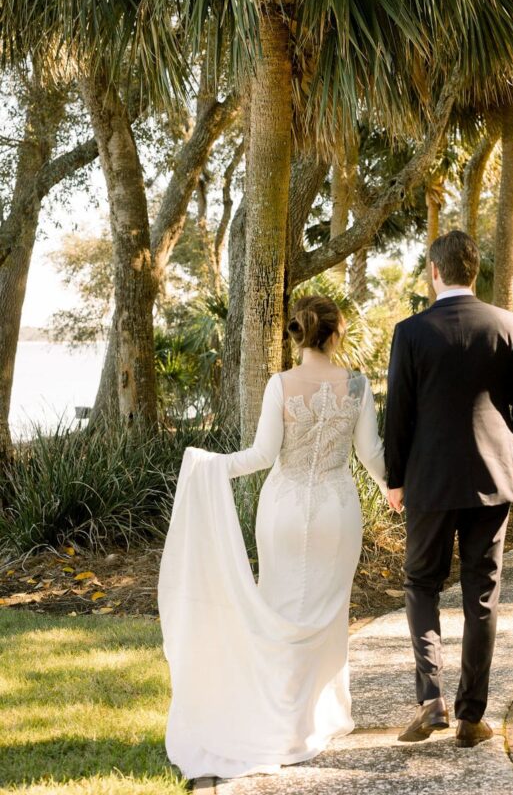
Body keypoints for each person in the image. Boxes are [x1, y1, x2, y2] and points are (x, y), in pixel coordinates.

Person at [158, 295, 387, 781]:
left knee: (279, 609)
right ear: (337, 331)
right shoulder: (358, 385)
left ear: (298, 333)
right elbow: (372, 455)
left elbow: (263, 455)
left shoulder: (280, 384)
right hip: (336, 511)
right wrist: (396, 486)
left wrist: (211, 465)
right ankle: (316, 718)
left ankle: (276, 715)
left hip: (282, 510)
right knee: (328, 614)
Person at [384, 229, 513, 748]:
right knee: (482, 593)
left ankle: (431, 702)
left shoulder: (410, 331)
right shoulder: (505, 323)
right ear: (474, 272)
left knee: (421, 584)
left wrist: (395, 479)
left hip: (428, 481)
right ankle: (472, 716)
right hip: (493, 479)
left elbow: (399, 413)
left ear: (435, 271)